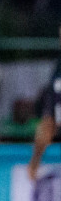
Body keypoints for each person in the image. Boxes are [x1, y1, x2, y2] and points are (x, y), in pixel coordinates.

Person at [28, 32, 61, 180]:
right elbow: (48, 121)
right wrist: (35, 160)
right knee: (45, 126)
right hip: (55, 124)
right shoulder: (57, 73)